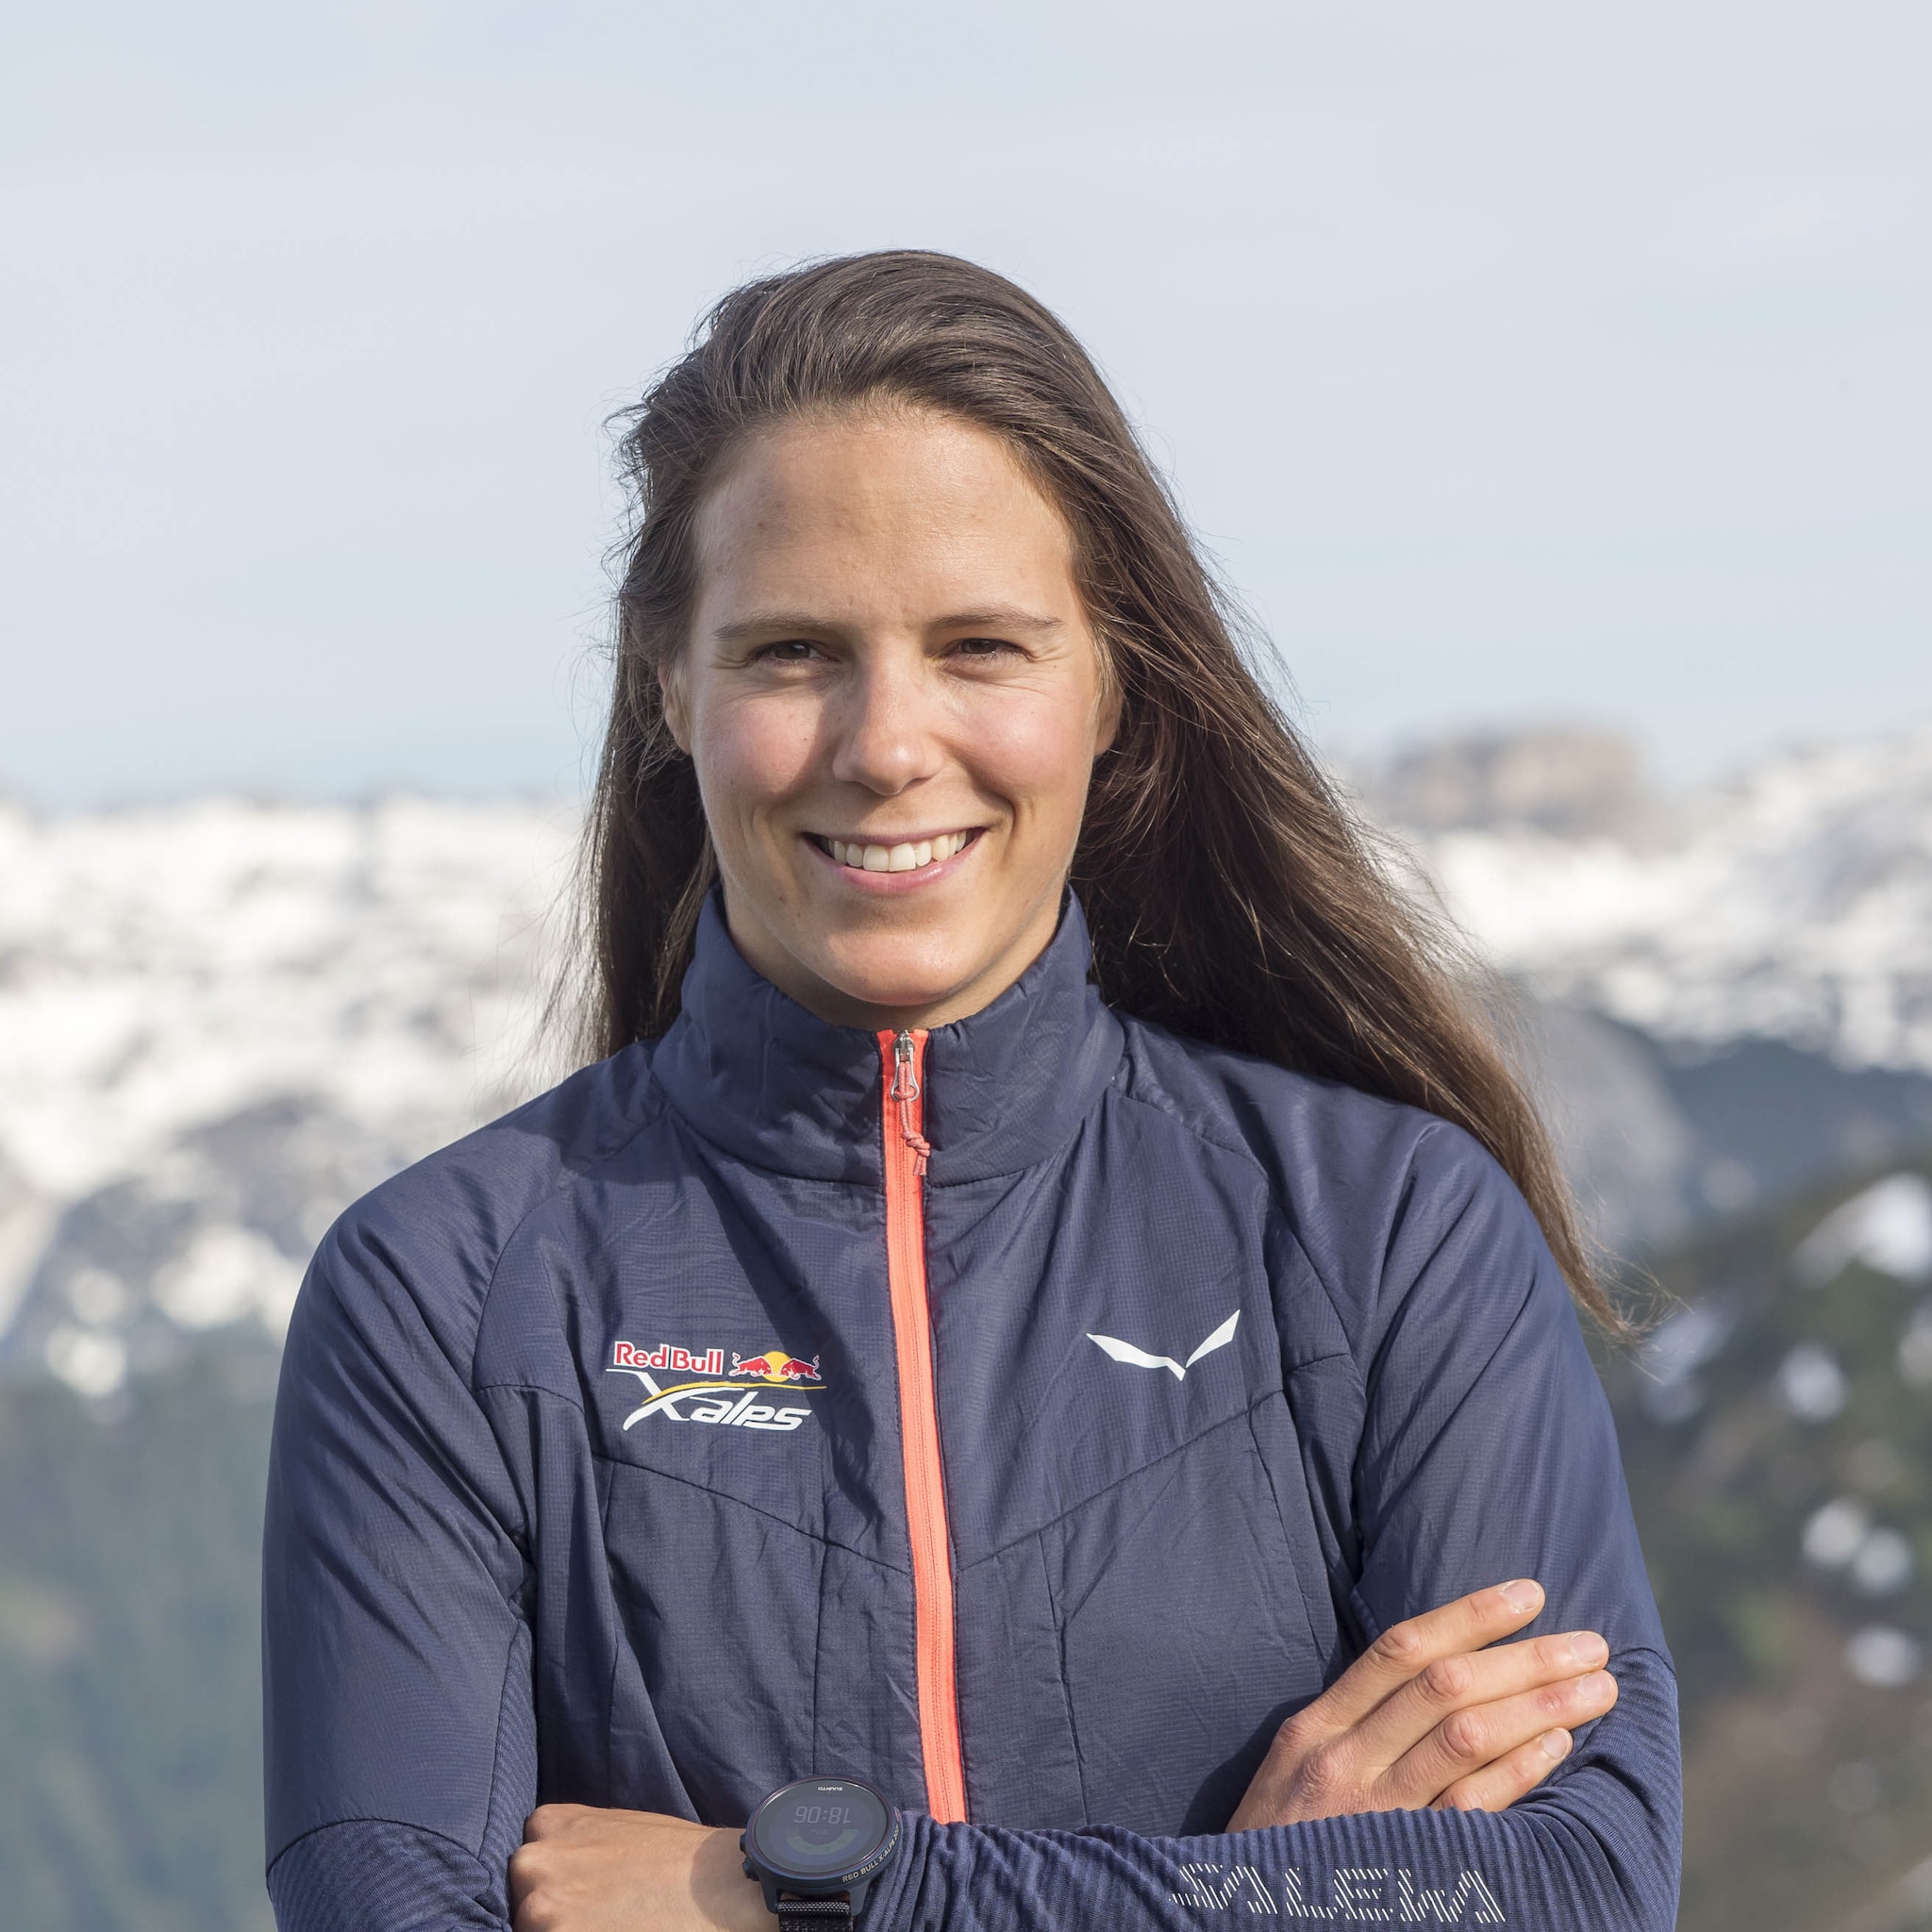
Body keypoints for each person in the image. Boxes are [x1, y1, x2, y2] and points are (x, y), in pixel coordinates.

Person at [261, 251, 1679, 1932]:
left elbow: (1569, 1893)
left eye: (981, 647)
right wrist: (1258, 1896)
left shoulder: (1388, 1235)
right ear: (668, 686)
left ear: (1111, 682)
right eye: (793, 652)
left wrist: (823, 1895)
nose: (886, 742)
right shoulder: (447, 1292)